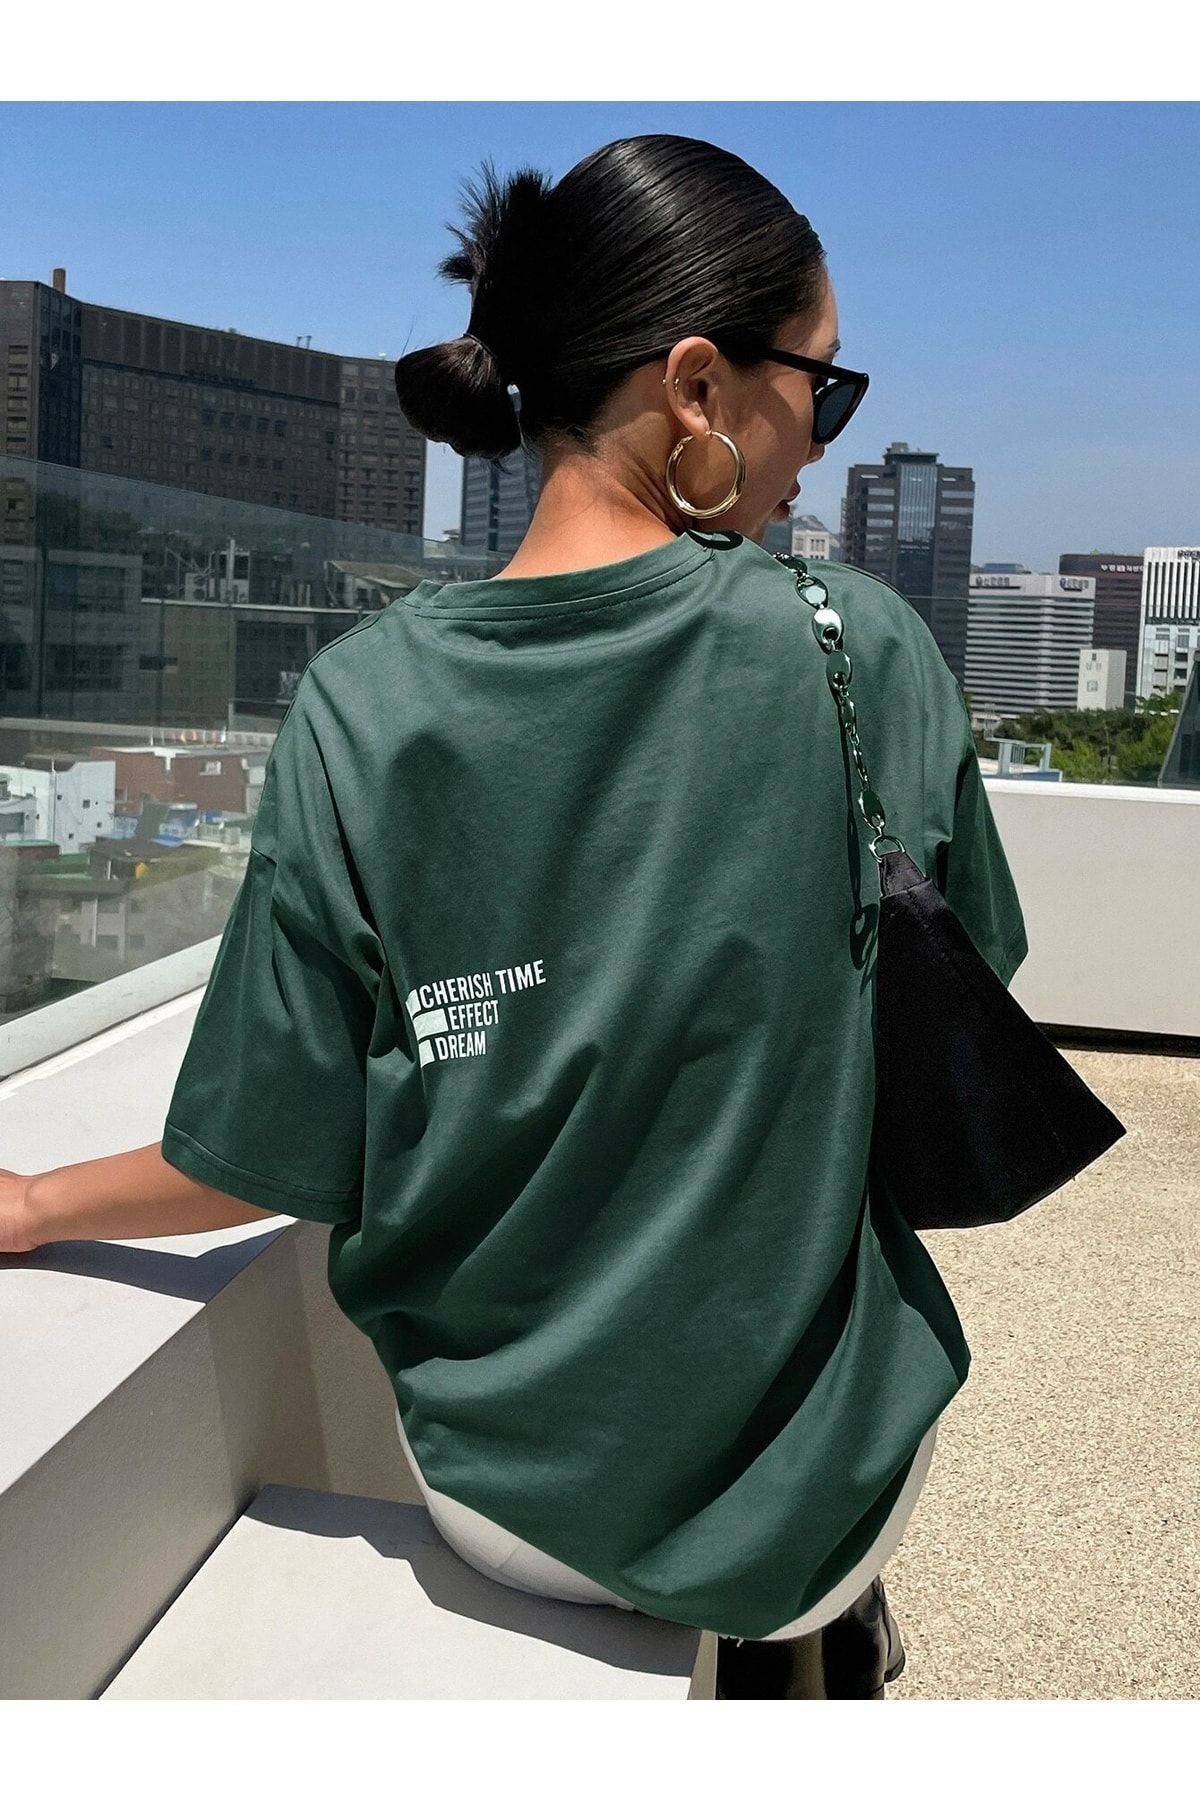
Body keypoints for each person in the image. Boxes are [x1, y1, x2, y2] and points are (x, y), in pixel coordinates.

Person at [0, 133, 1027, 1700]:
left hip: (498, 1499)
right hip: (823, 1483)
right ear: (699, 386)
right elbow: (968, 983)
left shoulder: (360, 703)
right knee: (837, 1487)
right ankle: (824, 1640)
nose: (820, 445)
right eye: (822, 387)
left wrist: (29, 1206)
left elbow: (264, 1146)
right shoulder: (861, 646)